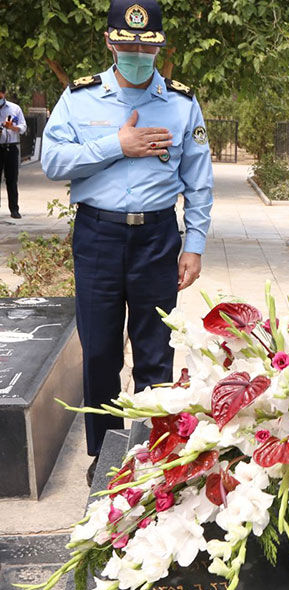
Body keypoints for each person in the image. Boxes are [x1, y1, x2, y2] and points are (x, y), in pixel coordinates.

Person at [41, 0, 213, 484]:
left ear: (160, 46)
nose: (137, 53)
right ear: (110, 42)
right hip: (97, 235)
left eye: (147, 45)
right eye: (127, 43)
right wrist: (118, 145)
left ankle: (157, 452)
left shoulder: (181, 104)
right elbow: (52, 161)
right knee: (98, 351)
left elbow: (199, 182)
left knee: (156, 351)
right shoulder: (79, 99)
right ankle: (106, 451)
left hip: (158, 237)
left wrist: (193, 244)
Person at [0, 86, 27, 219]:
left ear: (4, 94)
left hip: (11, 148)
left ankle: (14, 209)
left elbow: (23, 127)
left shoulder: (14, 108)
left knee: (12, 179)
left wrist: (13, 127)